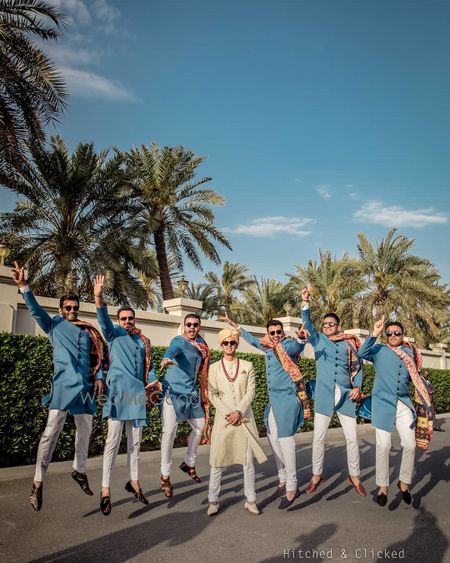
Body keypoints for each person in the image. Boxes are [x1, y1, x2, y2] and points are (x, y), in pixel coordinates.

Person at [11, 262, 106, 512]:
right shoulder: (53, 325)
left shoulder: (88, 333)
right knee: (51, 433)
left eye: (75, 307)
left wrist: (99, 377)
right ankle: (38, 481)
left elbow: (99, 358)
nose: (72, 310)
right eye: (68, 307)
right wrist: (24, 287)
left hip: (85, 390)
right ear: (62, 310)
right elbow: (34, 310)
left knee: (85, 431)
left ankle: (80, 470)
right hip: (63, 388)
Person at [221, 314, 309, 509]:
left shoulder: (288, 345)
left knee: (286, 442)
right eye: (272, 333)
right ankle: (283, 478)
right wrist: (235, 326)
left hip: (287, 399)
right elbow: (252, 340)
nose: (276, 335)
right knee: (272, 437)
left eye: (279, 332)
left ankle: (293, 487)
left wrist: (302, 338)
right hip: (273, 402)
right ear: (268, 334)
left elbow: (298, 346)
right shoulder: (267, 346)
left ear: (283, 332)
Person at [94, 275, 161, 515]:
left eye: (130, 318)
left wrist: (154, 380)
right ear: (119, 321)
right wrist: (98, 295)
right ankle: (105, 490)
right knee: (112, 443)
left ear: (135, 319)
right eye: (123, 318)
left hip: (137, 396)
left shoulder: (144, 340)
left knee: (135, 444)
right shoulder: (113, 334)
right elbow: (102, 316)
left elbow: (149, 366)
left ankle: (134, 482)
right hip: (117, 395)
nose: (127, 321)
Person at [357, 317, 432, 506]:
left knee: (410, 444)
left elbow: (416, 376)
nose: (392, 336)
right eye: (389, 333)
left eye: (396, 333)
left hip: (403, 404)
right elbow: (361, 352)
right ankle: (382, 487)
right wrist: (375, 332)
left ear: (402, 335)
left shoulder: (410, 352)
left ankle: (404, 483)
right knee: (383, 446)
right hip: (382, 404)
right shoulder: (378, 350)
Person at [300, 287, 366, 497]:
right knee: (318, 438)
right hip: (324, 396)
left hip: (346, 396)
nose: (327, 326)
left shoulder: (349, 343)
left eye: (331, 324)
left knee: (352, 438)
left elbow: (359, 366)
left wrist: (358, 387)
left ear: (338, 326)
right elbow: (307, 323)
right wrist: (305, 302)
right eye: (325, 324)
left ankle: (354, 476)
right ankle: (316, 475)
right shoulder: (318, 339)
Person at [207, 328, 267, 516]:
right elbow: (212, 394)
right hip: (223, 420)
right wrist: (229, 413)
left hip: (244, 420)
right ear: (221, 345)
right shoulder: (214, 367)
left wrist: (239, 411)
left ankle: (251, 500)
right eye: (226, 343)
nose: (229, 346)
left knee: (248, 462)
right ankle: (213, 501)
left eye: (232, 342)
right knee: (217, 461)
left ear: (237, 344)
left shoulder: (247, 365)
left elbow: (251, 392)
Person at [159, 314, 210, 497]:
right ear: (184, 326)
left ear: (199, 327)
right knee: (169, 432)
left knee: (200, 426)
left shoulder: (201, 346)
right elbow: (172, 349)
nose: (192, 328)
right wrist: (166, 358)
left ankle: (188, 463)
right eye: (188, 325)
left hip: (190, 393)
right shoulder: (179, 340)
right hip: (173, 391)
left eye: (195, 325)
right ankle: (165, 476)